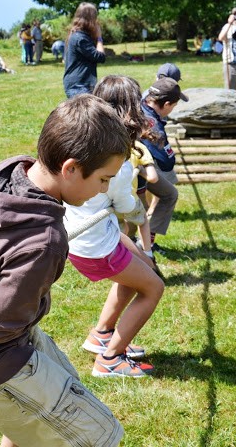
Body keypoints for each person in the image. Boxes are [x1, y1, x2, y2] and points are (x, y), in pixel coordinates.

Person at [0, 95, 130, 446]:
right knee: (99, 437)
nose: (103, 190)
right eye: (104, 180)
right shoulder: (44, 240)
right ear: (71, 168)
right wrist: (40, 303)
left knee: (63, 387)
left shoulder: (7, 173)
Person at [66, 76, 165, 378]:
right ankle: (111, 358)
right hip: (95, 243)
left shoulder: (87, 144)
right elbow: (126, 206)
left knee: (141, 265)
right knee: (153, 287)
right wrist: (141, 216)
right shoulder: (118, 162)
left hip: (87, 234)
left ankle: (103, 334)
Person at [141, 77, 187, 252]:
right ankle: (141, 247)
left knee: (169, 194)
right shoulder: (153, 125)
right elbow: (167, 163)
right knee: (138, 211)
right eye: (174, 106)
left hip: (140, 166)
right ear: (167, 104)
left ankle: (148, 241)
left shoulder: (141, 103)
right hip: (133, 170)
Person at [63, 2, 106, 98]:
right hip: (79, 86)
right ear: (90, 19)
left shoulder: (77, 34)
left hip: (78, 84)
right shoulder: (80, 38)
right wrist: (99, 37)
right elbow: (100, 56)